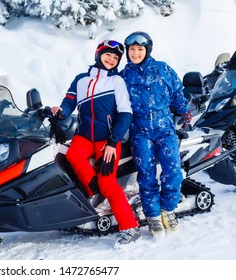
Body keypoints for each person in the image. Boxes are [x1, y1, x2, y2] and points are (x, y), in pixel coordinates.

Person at [51, 40, 140, 247]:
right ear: (98, 54)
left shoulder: (116, 81)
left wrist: (113, 141)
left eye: (116, 58)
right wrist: (61, 111)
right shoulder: (81, 80)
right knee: (70, 156)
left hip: (107, 139)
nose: (111, 59)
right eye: (108, 55)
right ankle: (93, 195)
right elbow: (69, 101)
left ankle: (130, 227)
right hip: (84, 136)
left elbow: (126, 113)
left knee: (108, 183)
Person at [120, 31, 192, 238]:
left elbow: (177, 94)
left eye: (139, 49)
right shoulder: (124, 76)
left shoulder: (162, 69)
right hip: (140, 131)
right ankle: (152, 217)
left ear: (147, 50)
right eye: (132, 50)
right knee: (146, 175)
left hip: (164, 128)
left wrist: (185, 114)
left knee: (173, 171)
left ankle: (167, 210)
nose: (135, 53)